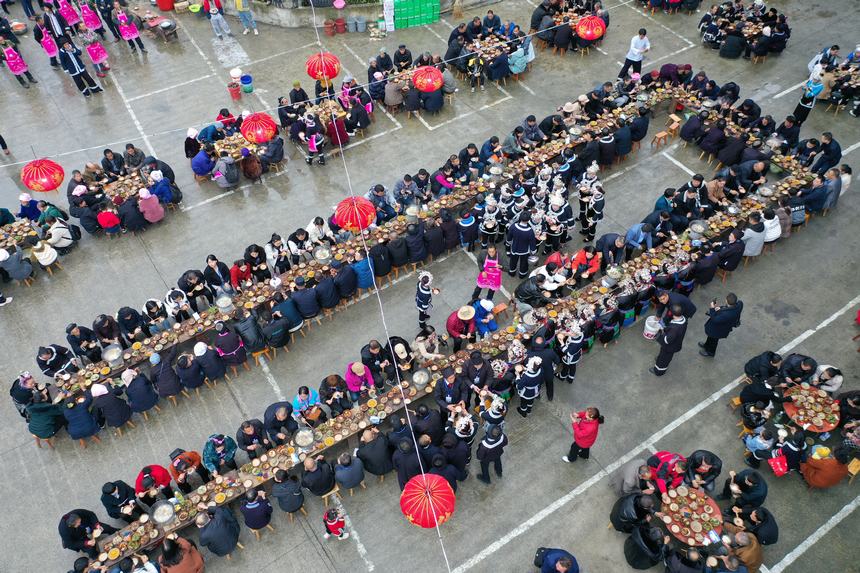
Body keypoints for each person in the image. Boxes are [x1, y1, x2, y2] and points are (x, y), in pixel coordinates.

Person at [649, 304, 687, 377]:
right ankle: (659, 359)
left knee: (664, 359)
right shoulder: (683, 319)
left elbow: (666, 340)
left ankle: (658, 371)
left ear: (673, 314)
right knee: (663, 356)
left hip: (670, 347)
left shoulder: (675, 329)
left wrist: (658, 335)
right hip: (676, 344)